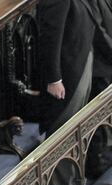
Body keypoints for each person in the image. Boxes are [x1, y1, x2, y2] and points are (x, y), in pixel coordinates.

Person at [38, 0, 96, 136]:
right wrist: (54, 79)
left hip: (82, 60)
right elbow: (51, 37)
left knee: (78, 124)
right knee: (64, 130)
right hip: (68, 72)